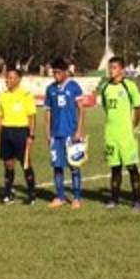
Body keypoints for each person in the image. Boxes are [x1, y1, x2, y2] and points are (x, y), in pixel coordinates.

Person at [98, 56, 140, 209]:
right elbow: (105, 107)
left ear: (122, 70)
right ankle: (114, 199)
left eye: (114, 67)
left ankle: (137, 200)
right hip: (111, 134)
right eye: (110, 67)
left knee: (132, 167)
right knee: (115, 168)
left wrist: (133, 126)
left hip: (126, 135)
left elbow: (138, 108)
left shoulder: (129, 86)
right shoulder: (105, 87)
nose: (111, 70)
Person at [45, 59, 86, 208]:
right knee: (57, 166)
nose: (55, 75)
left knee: (74, 165)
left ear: (65, 72)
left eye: (58, 72)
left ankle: (76, 198)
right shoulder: (50, 89)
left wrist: (79, 131)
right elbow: (48, 113)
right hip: (56, 134)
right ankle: (60, 197)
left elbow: (81, 110)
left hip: (71, 133)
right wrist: (47, 133)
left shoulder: (74, 86)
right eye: (53, 72)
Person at [0, 67, 37, 205]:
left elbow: (31, 117)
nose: (8, 80)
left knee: (25, 163)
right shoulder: (3, 96)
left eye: (11, 77)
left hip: (21, 132)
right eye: (7, 77)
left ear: (19, 79)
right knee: (8, 163)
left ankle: (31, 193)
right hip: (6, 131)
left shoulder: (26, 95)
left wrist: (31, 135)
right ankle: (8, 193)